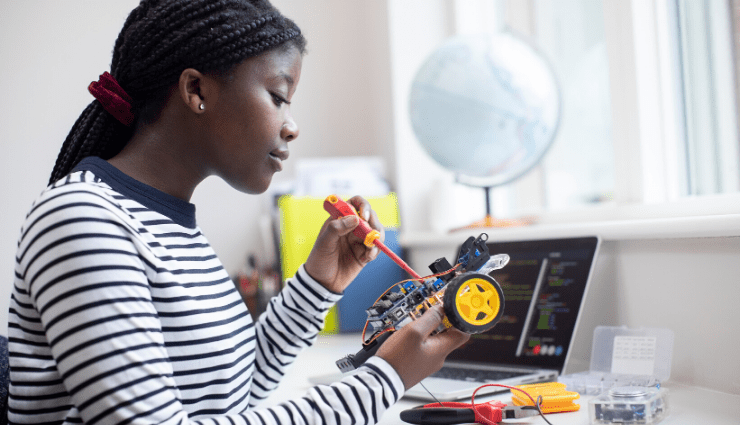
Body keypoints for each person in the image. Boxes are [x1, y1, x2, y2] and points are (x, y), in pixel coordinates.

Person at [7, 1, 470, 424]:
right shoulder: (82, 220)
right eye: (278, 96)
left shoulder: (171, 226)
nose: (292, 126)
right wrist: (383, 379)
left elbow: (233, 394)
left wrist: (316, 285)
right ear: (196, 90)